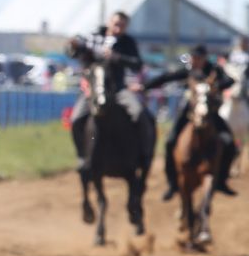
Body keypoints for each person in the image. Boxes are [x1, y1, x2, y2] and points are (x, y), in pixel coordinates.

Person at [145, 44, 238, 200]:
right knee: (170, 142)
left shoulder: (214, 70)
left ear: (204, 58)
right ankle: (173, 184)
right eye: (194, 58)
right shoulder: (188, 71)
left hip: (210, 113)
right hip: (189, 113)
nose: (196, 61)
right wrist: (144, 86)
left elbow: (230, 81)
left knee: (229, 143)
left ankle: (221, 181)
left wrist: (215, 86)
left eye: (199, 58)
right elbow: (165, 78)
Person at [67, 10, 150, 158]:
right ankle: (82, 156)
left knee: (138, 113)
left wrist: (116, 57)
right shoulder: (94, 36)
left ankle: (143, 154)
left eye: (122, 26)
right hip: (93, 90)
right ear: (109, 22)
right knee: (75, 120)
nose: (118, 28)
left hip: (118, 89)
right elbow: (75, 51)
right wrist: (72, 46)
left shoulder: (127, 42)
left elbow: (137, 64)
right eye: (116, 24)